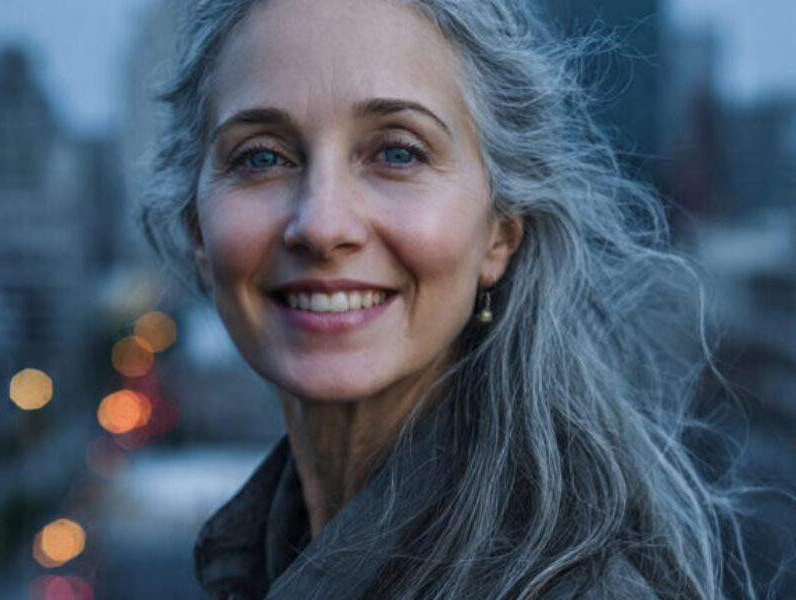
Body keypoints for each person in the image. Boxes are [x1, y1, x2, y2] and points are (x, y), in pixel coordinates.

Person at [141, 0, 756, 598]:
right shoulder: (260, 554)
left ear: (500, 233)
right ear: (197, 229)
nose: (322, 225)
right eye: (262, 157)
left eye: (398, 152)